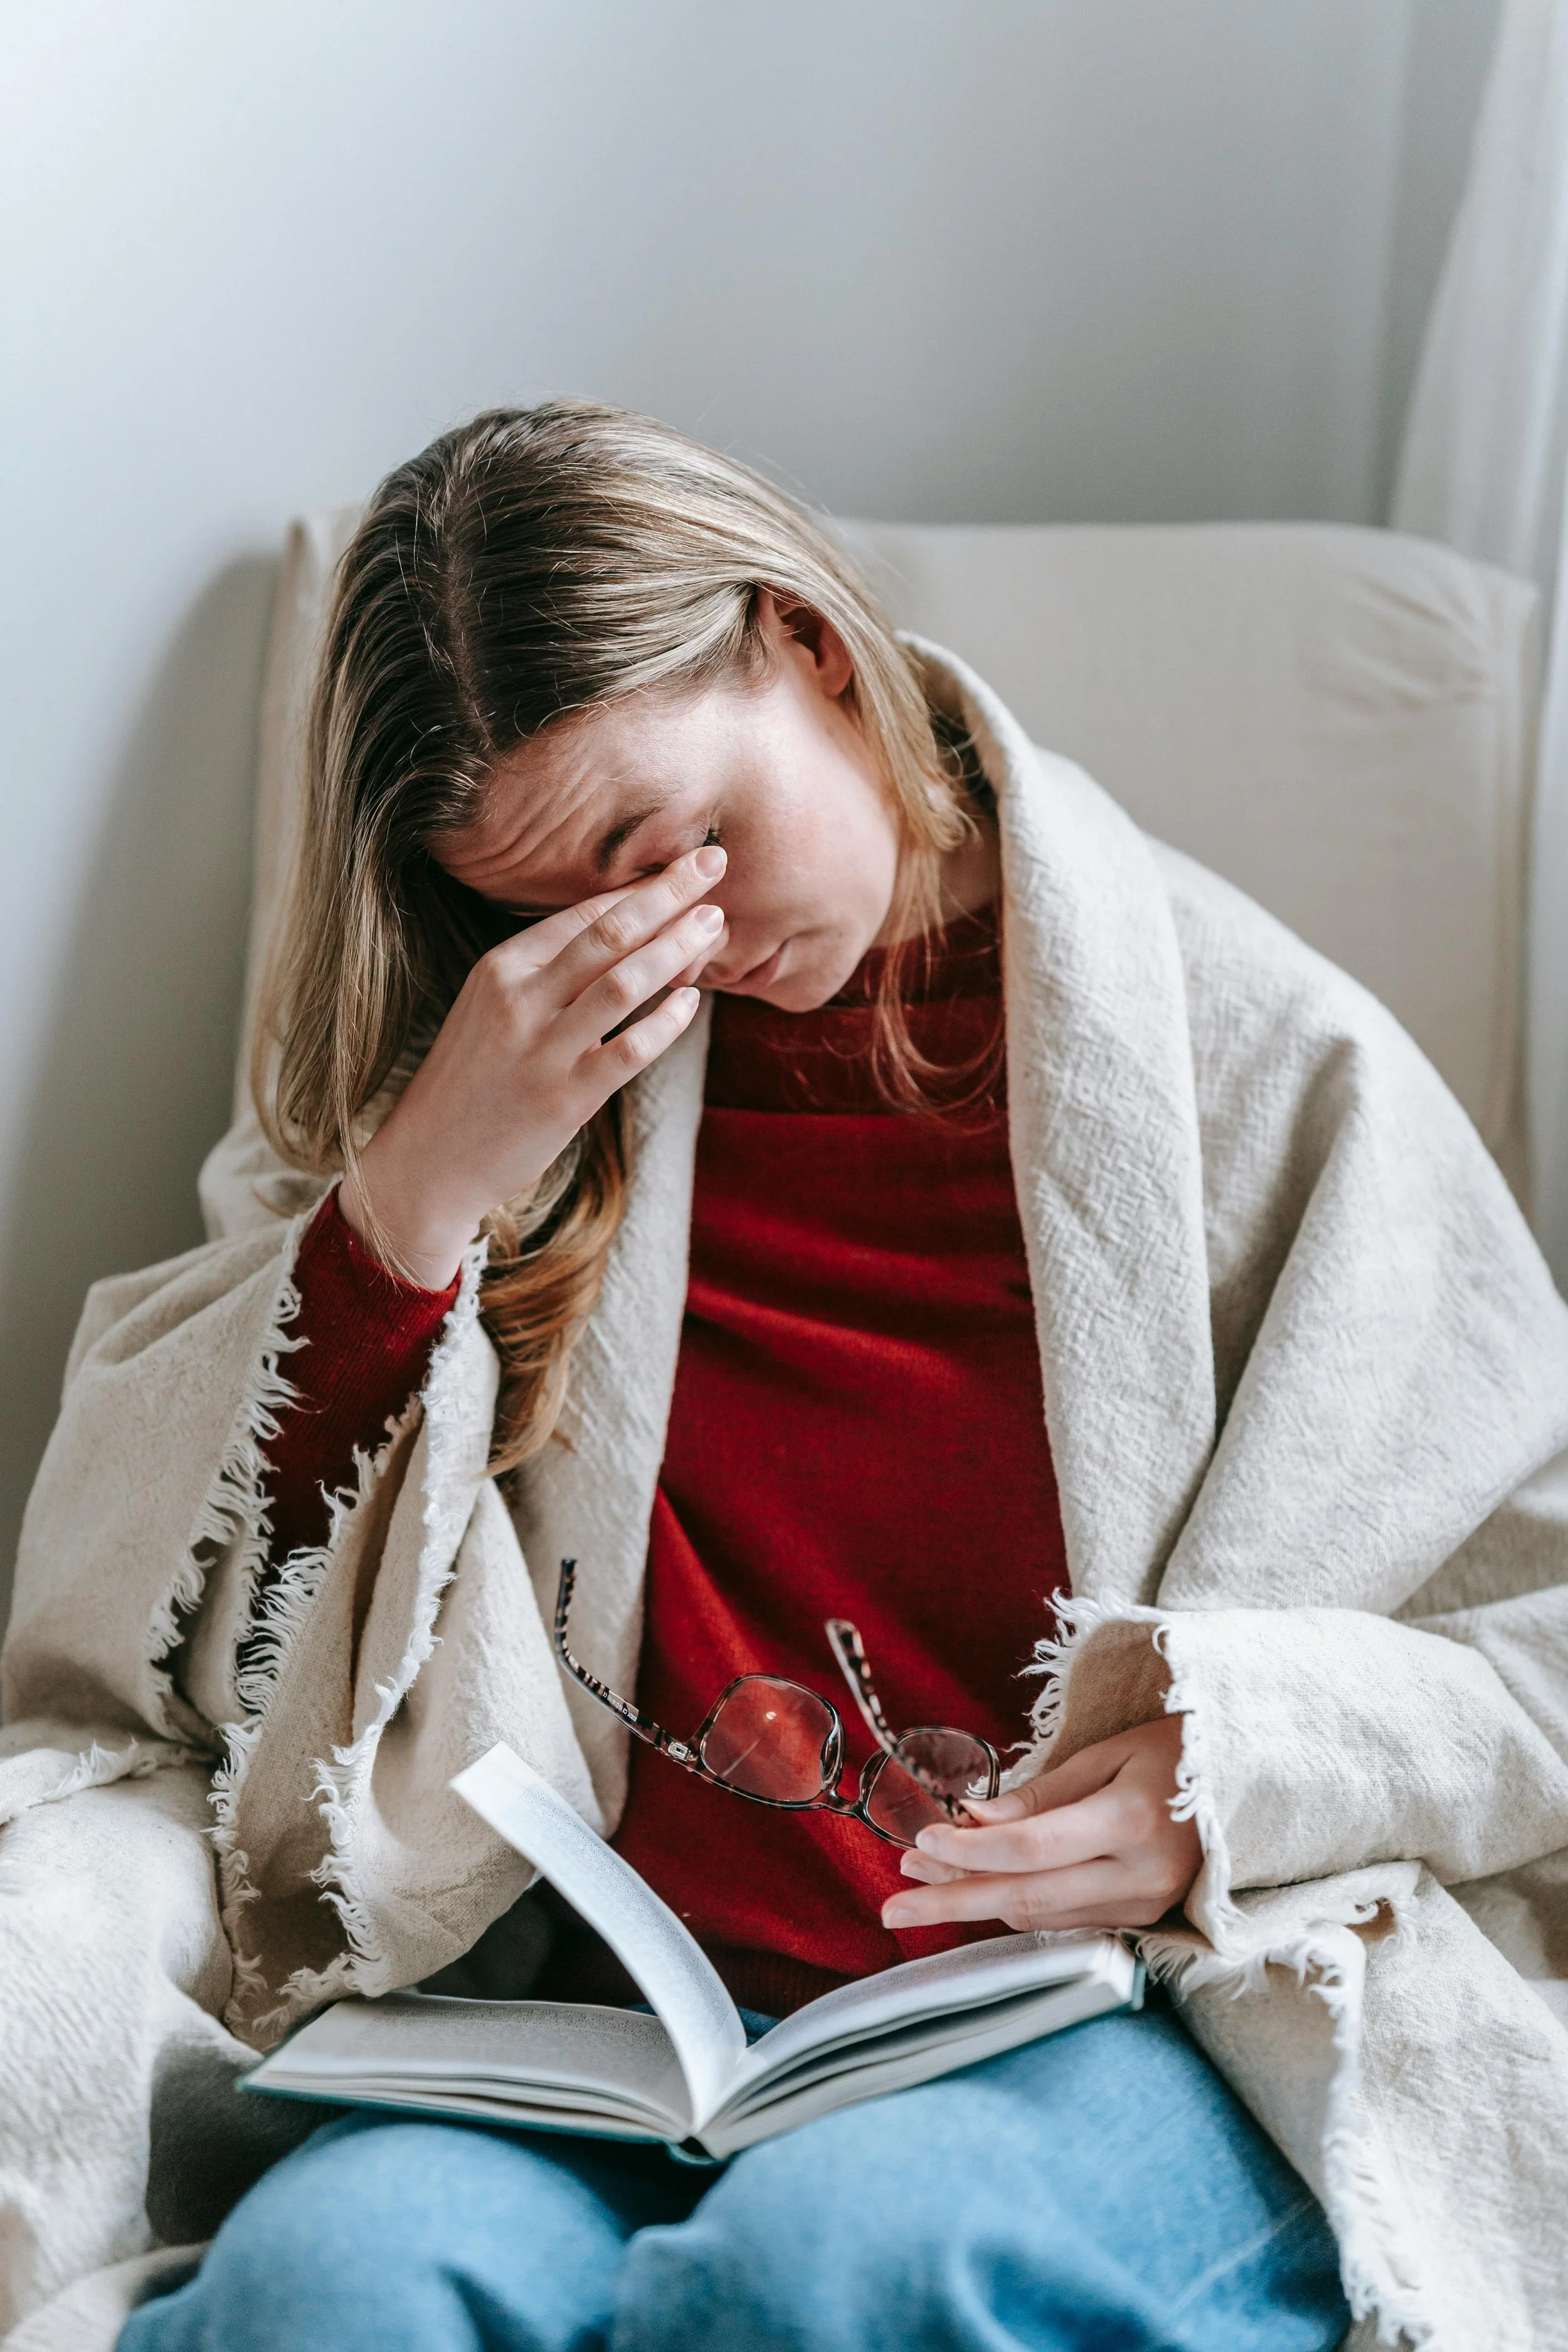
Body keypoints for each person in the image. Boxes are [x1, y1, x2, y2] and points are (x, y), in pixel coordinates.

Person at [4, 402, 1568, 2352]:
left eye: (692, 843)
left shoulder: (1267, 1072)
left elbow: (1534, 1642)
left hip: (1099, 2009)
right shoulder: (498, 1069)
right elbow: (164, 1637)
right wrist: (418, 1193)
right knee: (337, 2285)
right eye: (566, 907)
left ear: (807, 647)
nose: (686, 940)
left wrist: (1222, 1776)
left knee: (840, 2272)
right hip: (599, 2021)